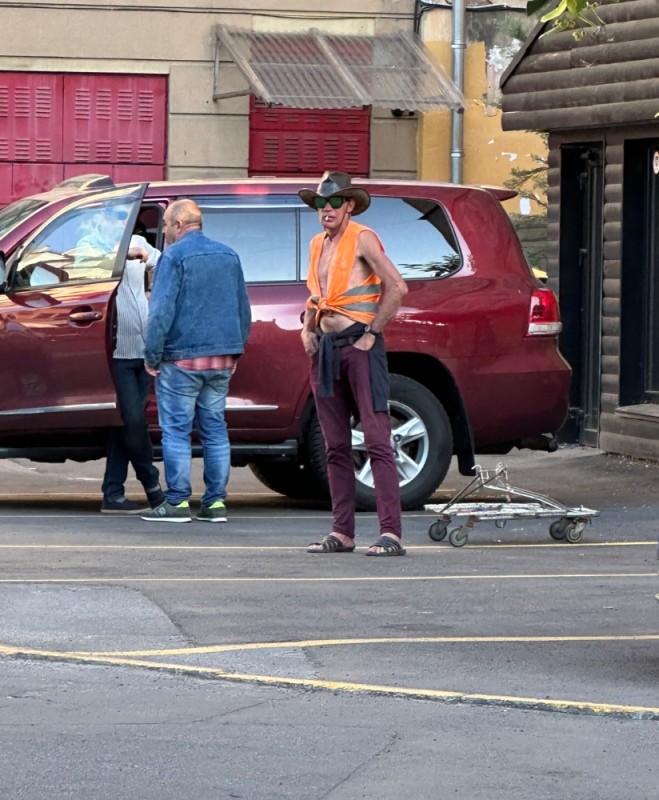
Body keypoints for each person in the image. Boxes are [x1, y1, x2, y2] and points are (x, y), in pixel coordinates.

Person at [299, 171, 409, 556]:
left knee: (377, 440)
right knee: (334, 446)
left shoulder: (362, 237)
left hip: (359, 347)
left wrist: (371, 333)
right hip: (327, 349)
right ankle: (342, 532)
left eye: (333, 202)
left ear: (349, 205)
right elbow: (318, 296)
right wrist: (307, 329)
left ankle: (390, 533)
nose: (325, 209)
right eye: (319, 202)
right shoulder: (317, 243)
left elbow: (397, 286)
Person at [141, 199, 251, 523]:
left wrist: (152, 354)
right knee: (215, 429)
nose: (164, 231)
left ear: (178, 225)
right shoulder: (229, 255)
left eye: (164, 225)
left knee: (176, 430)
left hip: (182, 360)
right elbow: (243, 308)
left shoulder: (173, 257)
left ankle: (176, 503)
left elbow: (160, 311)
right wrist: (237, 349)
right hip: (222, 358)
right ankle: (215, 504)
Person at [100, 231, 165, 514]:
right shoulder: (93, 241)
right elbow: (89, 263)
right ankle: (152, 486)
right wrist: (125, 255)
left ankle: (113, 494)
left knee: (124, 425)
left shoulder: (137, 239)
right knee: (133, 422)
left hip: (142, 350)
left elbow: (162, 261)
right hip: (118, 353)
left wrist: (148, 257)